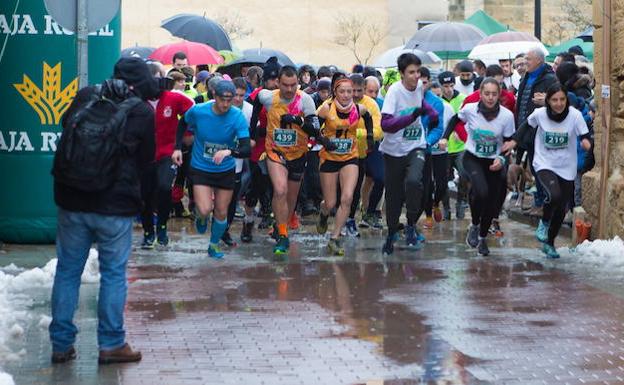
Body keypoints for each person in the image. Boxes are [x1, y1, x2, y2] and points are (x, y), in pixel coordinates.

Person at [50, 57, 158, 365]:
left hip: (71, 199)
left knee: (68, 271)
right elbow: (147, 159)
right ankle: (111, 344)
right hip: (115, 206)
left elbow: (64, 125)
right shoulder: (141, 110)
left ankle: (61, 344)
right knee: (113, 274)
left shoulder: (87, 96)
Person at [502, 83, 591, 258]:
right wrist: (514, 141)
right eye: (554, 100)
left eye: (562, 99)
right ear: (548, 101)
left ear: (567, 100)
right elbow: (526, 126)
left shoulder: (575, 115)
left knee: (562, 208)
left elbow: (585, 135)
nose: (558, 104)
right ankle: (544, 222)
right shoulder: (540, 114)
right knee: (554, 195)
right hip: (544, 162)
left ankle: (549, 243)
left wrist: (586, 143)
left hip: (566, 165)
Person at [172, 80, 251, 259]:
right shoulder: (199, 111)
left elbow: (246, 148)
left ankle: (213, 245)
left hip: (225, 170)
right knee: (205, 208)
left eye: (229, 100)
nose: (225, 104)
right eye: (222, 99)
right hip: (201, 167)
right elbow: (182, 123)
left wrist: (229, 151)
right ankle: (201, 216)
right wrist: (177, 147)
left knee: (221, 211)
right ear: (214, 96)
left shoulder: (237, 116)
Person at [248, 65, 321, 255]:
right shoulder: (267, 97)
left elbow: (315, 129)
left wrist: (299, 121)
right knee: (280, 190)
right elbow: (255, 102)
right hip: (275, 151)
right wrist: (252, 132)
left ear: (298, 83)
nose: (289, 90)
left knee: (291, 197)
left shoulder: (305, 100)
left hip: (298, 154)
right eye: (285, 85)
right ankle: (282, 235)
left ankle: (281, 223)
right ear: (278, 83)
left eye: (293, 85)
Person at [440, 78, 515, 256]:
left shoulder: (506, 116)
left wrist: (502, 160)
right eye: (486, 94)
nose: (490, 98)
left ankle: (482, 237)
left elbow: (507, 144)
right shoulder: (470, 110)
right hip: (473, 157)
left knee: (491, 201)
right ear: (480, 94)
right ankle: (474, 224)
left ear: (499, 96)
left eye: (494, 94)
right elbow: (453, 120)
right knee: (481, 192)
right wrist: (445, 137)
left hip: (494, 161)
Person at [379, 53, 440, 255]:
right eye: (411, 72)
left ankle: (412, 224)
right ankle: (391, 232)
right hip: (394, 151)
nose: (416, 76)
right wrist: (412, 117)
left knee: (415, 182)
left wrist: (432, 114)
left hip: (416, 146)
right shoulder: (394, 92)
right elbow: (386, 125)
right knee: (394, 195)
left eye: (418, 71)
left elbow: (420, 104)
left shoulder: (420, 88)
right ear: (401, 74)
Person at [316, 73, 374, 254]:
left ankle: (335, 238)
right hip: (329, 158)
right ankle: (323, 213)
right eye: (343, 91)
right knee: (331, 202)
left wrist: (370, 137)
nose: (347, 95)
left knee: (347, 197)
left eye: (350, 91)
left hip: (350, 157)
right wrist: (324, 141)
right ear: (335, 92)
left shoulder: (358, 108)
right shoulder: (326, 109)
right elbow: (313, 128)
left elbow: (369, 116)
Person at [140, 66, 194, 248]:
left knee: (164, 187)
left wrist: (184, 137)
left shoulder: (174, 98)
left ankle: (162, 227)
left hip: (168, 152)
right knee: (145, 194)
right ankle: (148, 232)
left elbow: (191, 113)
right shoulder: (138, 100)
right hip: (144, 155)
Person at [240, 59, 281, 242]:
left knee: (277, 190)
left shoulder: (287, 96)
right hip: (259, 149)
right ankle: (248, 221)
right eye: (271, 80)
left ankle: (277, 226)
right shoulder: (256, 96)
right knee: (255, 189)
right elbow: (249, 125)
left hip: (280, 150)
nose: (275, 84)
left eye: (277, 79)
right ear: (264, 80)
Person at [515, 47, 558, 216]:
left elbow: (560, 103)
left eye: (528, 60)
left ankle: (544, 203)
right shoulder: (526, 77)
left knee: (541, 168)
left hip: (540, 131)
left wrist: (546, 101)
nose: (525, 64)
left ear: (539, 61)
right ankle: (539, 201)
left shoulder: (550, 79)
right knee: (532, 167)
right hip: (525, 129)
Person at [343, 74, 382, 237]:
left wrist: (357, 134)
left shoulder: (371, 104)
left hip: (368, 148)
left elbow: (378, 131)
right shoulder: (339, 101)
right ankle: (349, 219)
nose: (356, 94)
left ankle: (370, 212)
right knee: (353, 187)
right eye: (353, 91)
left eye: (359, 91)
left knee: (382, 177)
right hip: (347, 152)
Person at [221, 77, 253, 246]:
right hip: (216, 160)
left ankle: (225, 230)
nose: (238, 99)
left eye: (242, 95)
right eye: (235, 95)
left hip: (237, 161)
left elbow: (253, 133)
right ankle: (217, 225)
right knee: (219, 198)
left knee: (232, 198)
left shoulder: (249, 110)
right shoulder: (218, 106)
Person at [417, 67, 446, 229]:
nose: (420, 84)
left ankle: (434, 205)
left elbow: (439, 128)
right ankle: (424, 214)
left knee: (436, 184)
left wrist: (426, 142)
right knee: (418, 185)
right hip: (406, 150)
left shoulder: (436, 103)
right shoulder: (402, 97)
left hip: (430, 149)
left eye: (424, 82)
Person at [438, 71, 468, 219]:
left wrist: (459, 130)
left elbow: (467, 118)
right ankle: (446, 207)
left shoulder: (463, 99)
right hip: (443, 148)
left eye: (451, 85)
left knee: (464, 174)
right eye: (445, 86)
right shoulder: (438, 101)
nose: (448, 89)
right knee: (442, 178)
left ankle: (461, 201)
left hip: (460, 146)